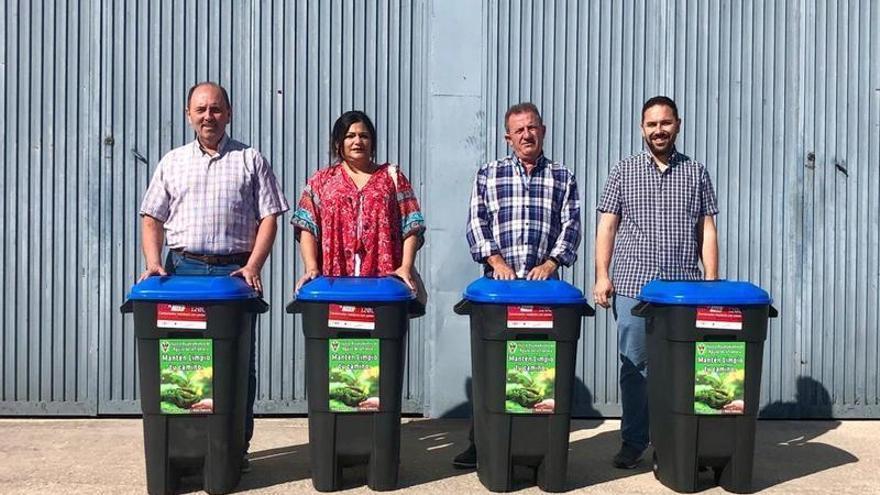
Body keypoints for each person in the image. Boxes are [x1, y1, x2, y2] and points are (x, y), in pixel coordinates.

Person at [138, 81, 289, 471]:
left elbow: (270, 215)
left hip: (233, 276)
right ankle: (185, 449)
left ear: (229, 113)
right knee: (182, 363)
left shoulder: (250, 159)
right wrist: (154, 262)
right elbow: (152, 216)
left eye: (216, 109)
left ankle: (233, 449)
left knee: (237, 364)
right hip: (182, 271)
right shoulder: (172, 161)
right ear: (189, 114)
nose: (209, 116)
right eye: (201, 109)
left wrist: (253, 265)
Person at [593, 95, 719, 469]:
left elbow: (706, 228)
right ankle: (634, 441)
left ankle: (676, 442)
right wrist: (602, 275)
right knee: (634, 370)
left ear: (677, 124)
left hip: (684, 292)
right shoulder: (623, 171)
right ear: (642, 128)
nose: (659, 130)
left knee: (684, 371)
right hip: (634, 287)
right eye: (652, 124)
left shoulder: (696, 172)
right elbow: (607, 226)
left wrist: (711, 280)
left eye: (665, 123)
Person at [454, 102, 581, 468]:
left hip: (544, 292)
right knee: (492, 371)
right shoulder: (489, 174)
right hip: (498, 290)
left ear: (543, 130)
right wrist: (495, 262)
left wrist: (551, 262)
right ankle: (484, 443)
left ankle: (535, 443)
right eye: (519, 130)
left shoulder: (563, 177)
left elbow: (571, 225)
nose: (527, 135)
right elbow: (476, 223)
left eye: (532, 128)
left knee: (538, 368)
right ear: (508, 137)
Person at [291, 110, 425, 290]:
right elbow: (307, 226)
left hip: (383, 283)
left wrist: (405, 267)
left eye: (364, 136)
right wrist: (312, 267)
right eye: (350, 136)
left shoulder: (391, 178)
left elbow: (412, 224)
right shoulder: (322, 180)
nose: (357, 141)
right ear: (338, 142)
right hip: (334, 282)